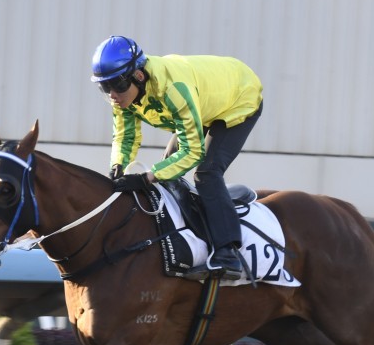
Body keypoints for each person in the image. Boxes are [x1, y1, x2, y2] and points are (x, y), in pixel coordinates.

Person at [91, 35, 263, 277]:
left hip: (238, 99)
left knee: (206, 171)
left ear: (139, 76)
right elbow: (125, 137)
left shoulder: (173, 88)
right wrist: (117, 168)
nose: (112, 95)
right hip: (202, 104)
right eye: (104, 87)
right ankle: (193, 236)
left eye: (116, 86)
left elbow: (192, 152)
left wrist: (147, 177)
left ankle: (228, 252)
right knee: (169, 168)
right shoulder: (122, 96)